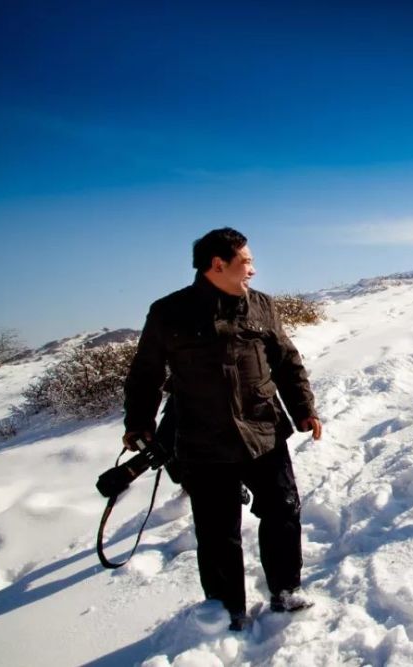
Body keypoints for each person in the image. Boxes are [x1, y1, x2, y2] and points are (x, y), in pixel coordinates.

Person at [123, 228, 323, 631]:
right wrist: (138, 423)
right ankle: (225, 607)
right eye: (245, 261)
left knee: (283, 510)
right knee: (217, 530)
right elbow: (144, 374)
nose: (252, 268)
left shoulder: (262, 306)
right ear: (218, 265)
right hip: (202, 438)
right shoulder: (169, 312)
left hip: (263, 430)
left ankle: (285, 590)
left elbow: (286, 360)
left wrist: (304, 408)